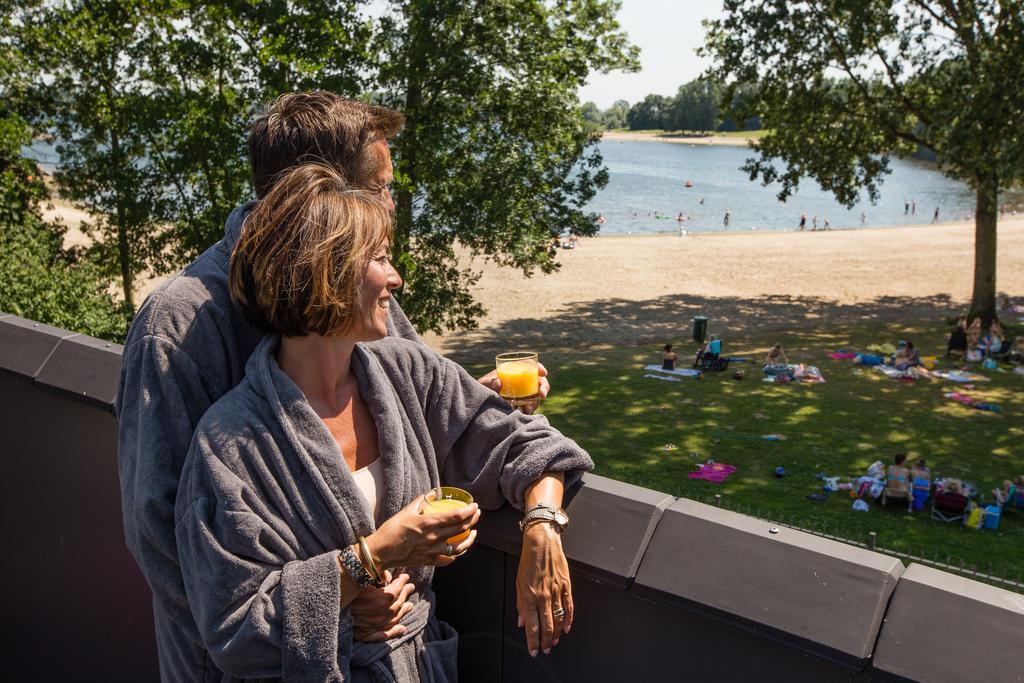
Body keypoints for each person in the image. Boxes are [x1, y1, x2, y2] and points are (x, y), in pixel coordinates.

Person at [117, 92, 553, 679]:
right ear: (319, 194)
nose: (391, 203)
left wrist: (475, 405)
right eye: (379, 186)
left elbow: (400, 407)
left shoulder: (364, 299)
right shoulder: (180, 322)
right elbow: (161, 534)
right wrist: (339, 606)